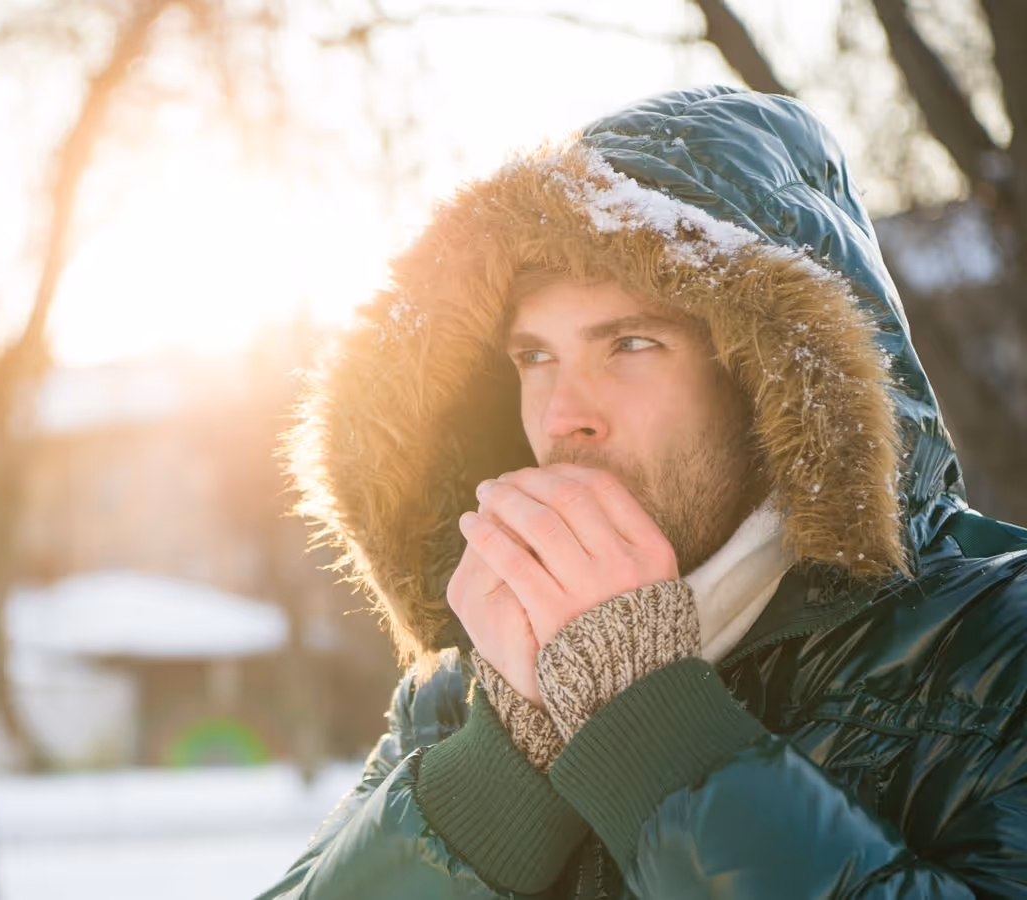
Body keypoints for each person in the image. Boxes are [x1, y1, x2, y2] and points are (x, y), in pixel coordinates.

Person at [257, 84, 1027, 899]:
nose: (561, 418)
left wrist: (651, 729)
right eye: (534, 356)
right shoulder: (467, 686)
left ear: (762, 381)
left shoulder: (997, 650)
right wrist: (495, 779)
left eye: (628, 343)